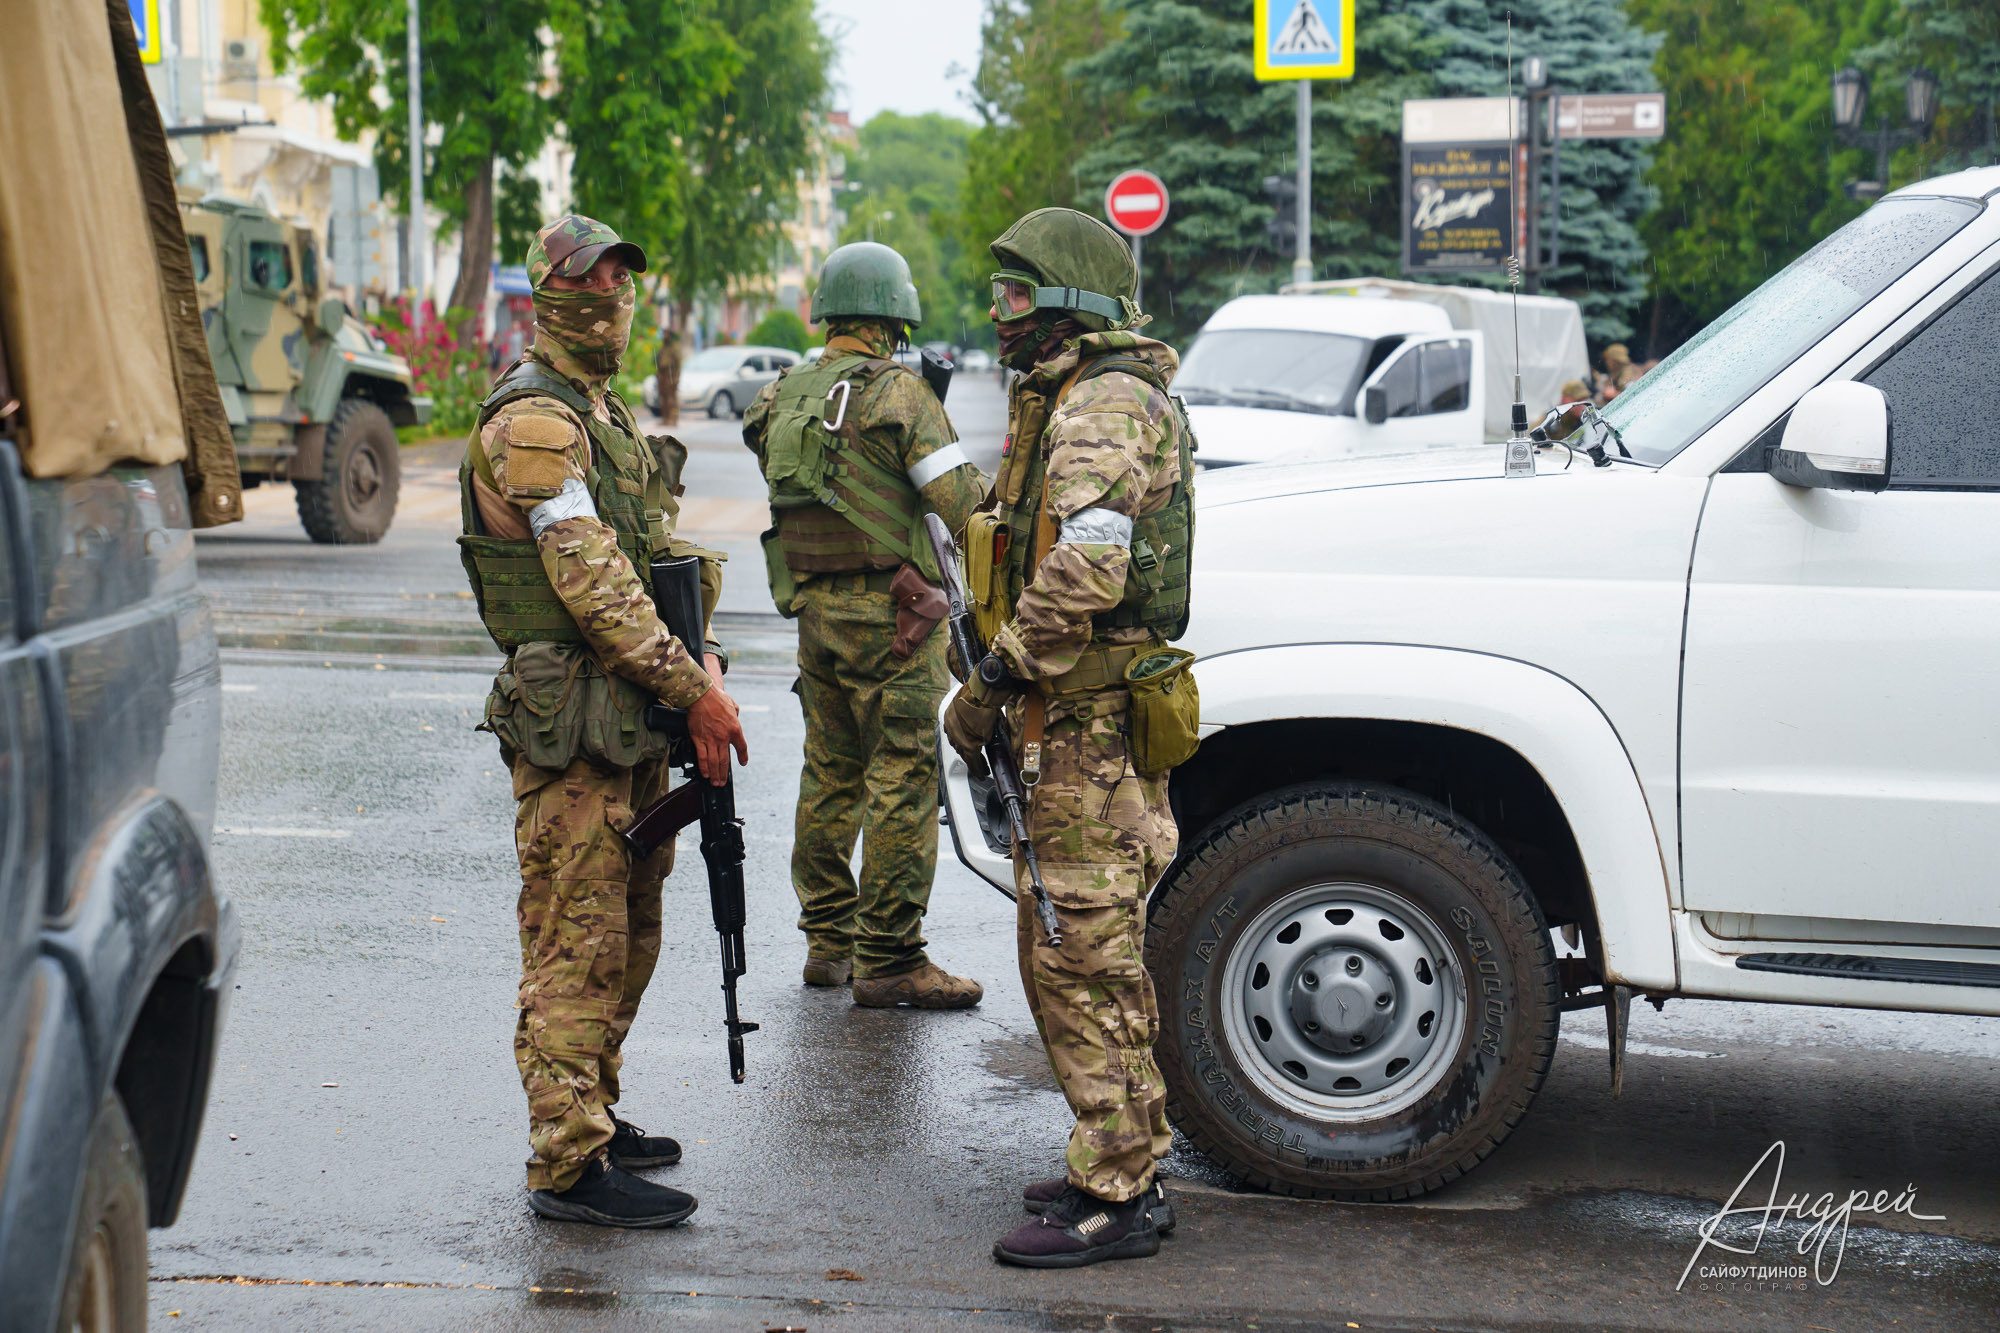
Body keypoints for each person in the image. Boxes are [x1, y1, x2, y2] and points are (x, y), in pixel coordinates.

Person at [458, 214, 750, 1229]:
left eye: (624, 284)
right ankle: (565, 1166)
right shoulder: (533, 422)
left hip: (625, 718)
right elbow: (592, 585)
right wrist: (693, 691)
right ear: (551, 296)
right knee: (574, 941)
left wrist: (700, 654)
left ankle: (592, 1109)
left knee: (626, 930)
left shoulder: (597, 412)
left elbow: (653, 558)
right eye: (593, 285)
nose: (613, 302)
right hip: (572, 727)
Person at [941, 207, 1195, 1268]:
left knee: (1085, 957)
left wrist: (989, 685)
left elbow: (1087, 570)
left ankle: (1119, 1196)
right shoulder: (1067, 399)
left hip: (1085, 734)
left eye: (1012, 294)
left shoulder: (1101, 405)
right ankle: (1116, 1148)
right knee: (1068, 956)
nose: (997, 314)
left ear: (1067, 303)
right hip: (1069, 729)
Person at [742, 242, 988, 1007]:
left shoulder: (779, 395)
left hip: (816, 614)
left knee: (830, 771)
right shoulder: (900, 396)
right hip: (899, 620)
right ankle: (889, 956)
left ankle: (828, 941)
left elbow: (785, 459)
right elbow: (965, 506)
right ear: (895, 316)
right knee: (902, 776)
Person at [654, 324, 683, 425]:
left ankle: (673, 419)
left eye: (666, 334)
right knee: (663, 398)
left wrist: (676, 377)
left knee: (671, 399)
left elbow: (678, 362)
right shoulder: (664, 346)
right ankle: (665, 419)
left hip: (670, 374)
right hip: (663, 374)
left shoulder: (674, 347)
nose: (664, 336)